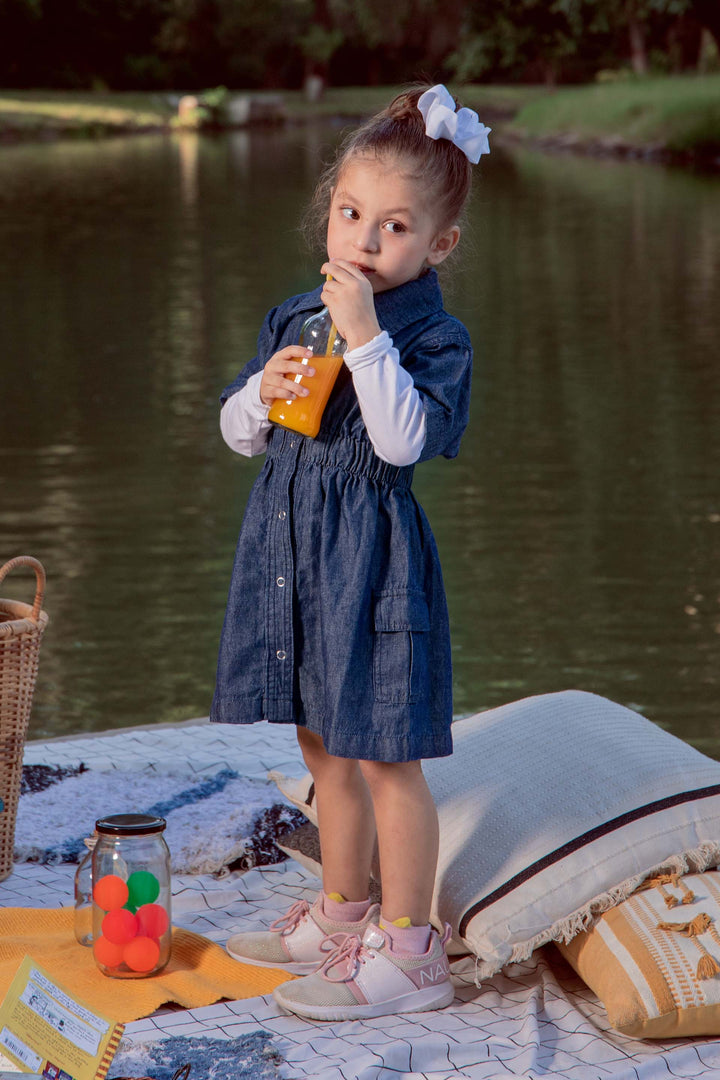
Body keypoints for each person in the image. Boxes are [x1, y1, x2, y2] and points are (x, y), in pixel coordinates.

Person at [211, 83, 490, 1021]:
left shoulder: (432, 337)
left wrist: (370, 343)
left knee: (384, 752)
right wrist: (259, 390)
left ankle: (412, 953)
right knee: (321, 739)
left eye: (395, 227)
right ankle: (344, 915)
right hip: (296, 554)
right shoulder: (297, 317)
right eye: (351, 214)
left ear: (437, 246)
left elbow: (404, 442)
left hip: (372, 566)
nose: (365, 242)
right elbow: (242, 434)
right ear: (329, 212)